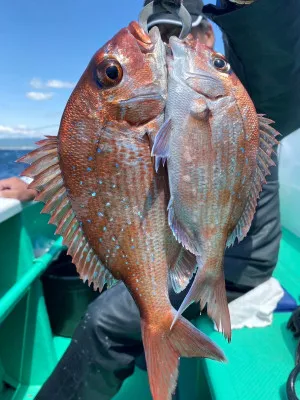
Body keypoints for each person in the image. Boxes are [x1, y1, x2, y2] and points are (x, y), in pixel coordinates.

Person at [1, 0, 299, 398]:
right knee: (122, 294)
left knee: (102, 323)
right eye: (170, 44)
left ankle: (160, 364)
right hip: (183, 244)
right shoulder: (165, 105)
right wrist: (34, 183)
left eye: (187, 40)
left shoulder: (238, 92)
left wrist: (242, 6)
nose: (174, 49)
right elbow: (101, 160)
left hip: (233, 258)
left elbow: (275, 71)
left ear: (211, 39)